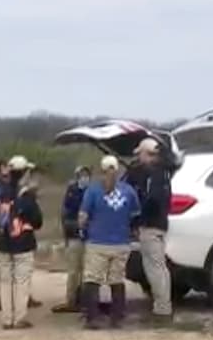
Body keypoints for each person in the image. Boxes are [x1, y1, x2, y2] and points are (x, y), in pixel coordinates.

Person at [78, 155, 140, 329]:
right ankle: (117, 317)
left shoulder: (93, 190)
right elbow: (135, 217)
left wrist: (83, 229)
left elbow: (83, 217)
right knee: (117, 280)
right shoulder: (128, 191)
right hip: (121, 242)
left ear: (101, 170)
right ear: (118, 170)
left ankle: (92, 318)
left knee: (92, 280)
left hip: (97, 241)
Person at [0, 156, 43, 330]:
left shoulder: (1, 193)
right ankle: (19, 317)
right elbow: (37, 221)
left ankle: (6, 319)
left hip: (4, 243)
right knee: (21, 281)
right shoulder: (27, 195)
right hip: (23, 244)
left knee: (5, 282)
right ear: (24, 173)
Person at [131, 138, 174, 325]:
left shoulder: (154, 175)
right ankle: (164, 307)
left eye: (140, 153)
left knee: (154, 268)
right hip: (161, 224)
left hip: (151, 225)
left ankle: (162, 311)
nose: (138, 158)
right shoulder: (164, 172)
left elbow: (153, 200)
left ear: (148, 154)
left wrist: (139, 217)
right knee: (161, 268)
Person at [53, 166, 92, 314]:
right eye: (82, 175)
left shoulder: (93, 191)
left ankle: (86, 300)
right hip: (74, 236)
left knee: (87, 271)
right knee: (73, 271)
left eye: (86, 175)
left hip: (89, 237)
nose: (84, 178)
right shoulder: (72, 192)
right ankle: (71, 300)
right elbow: (65, 216)